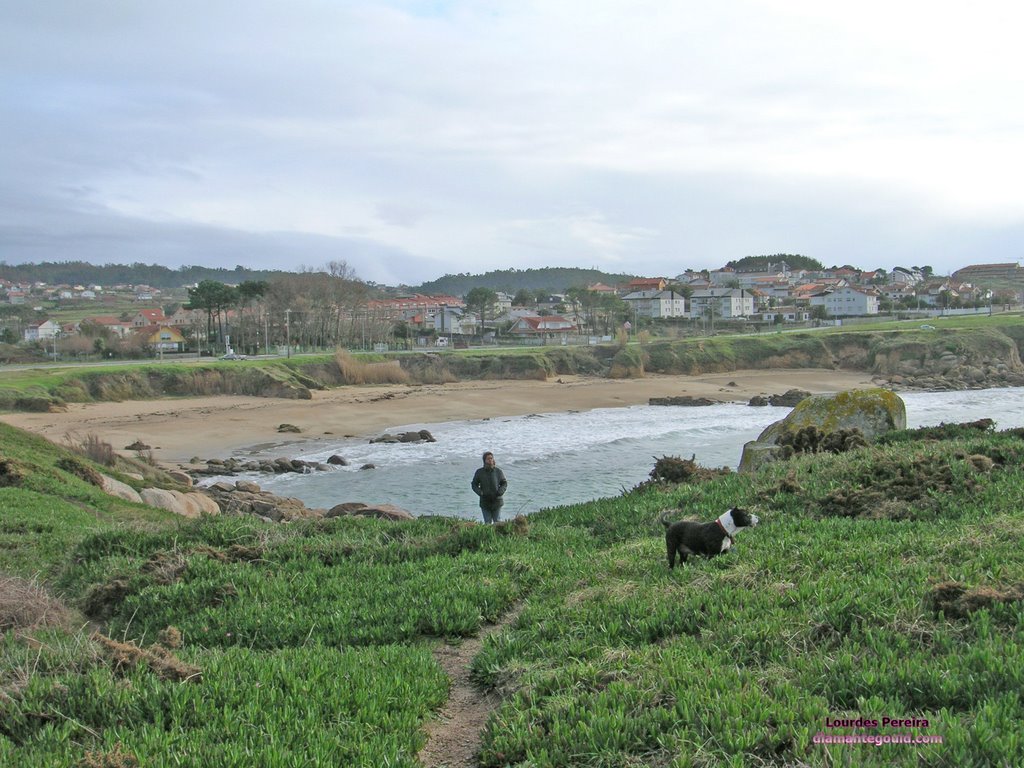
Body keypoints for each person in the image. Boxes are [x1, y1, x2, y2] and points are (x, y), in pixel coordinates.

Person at [471, 451, 507, 524]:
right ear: (484, 461)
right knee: (487, 523)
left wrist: (500, 491)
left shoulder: (498, 471)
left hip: (497, 501)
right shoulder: (479, 472)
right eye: (488, 459)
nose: (490, 460)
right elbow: (474, 484)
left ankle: (497, 535)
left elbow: (504, 483)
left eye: (491, 458)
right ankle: (488, 535)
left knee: (497, 522)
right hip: (485, 502)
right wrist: (480, 493)